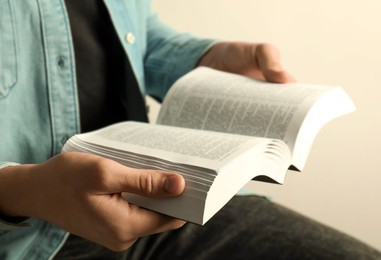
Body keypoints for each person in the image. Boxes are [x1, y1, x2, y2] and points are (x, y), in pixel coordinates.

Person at [0, 1, 379, 259]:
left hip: (175, 199)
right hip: (28, 237)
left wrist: (206, 59)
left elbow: (135, 33)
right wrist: (19, 191)